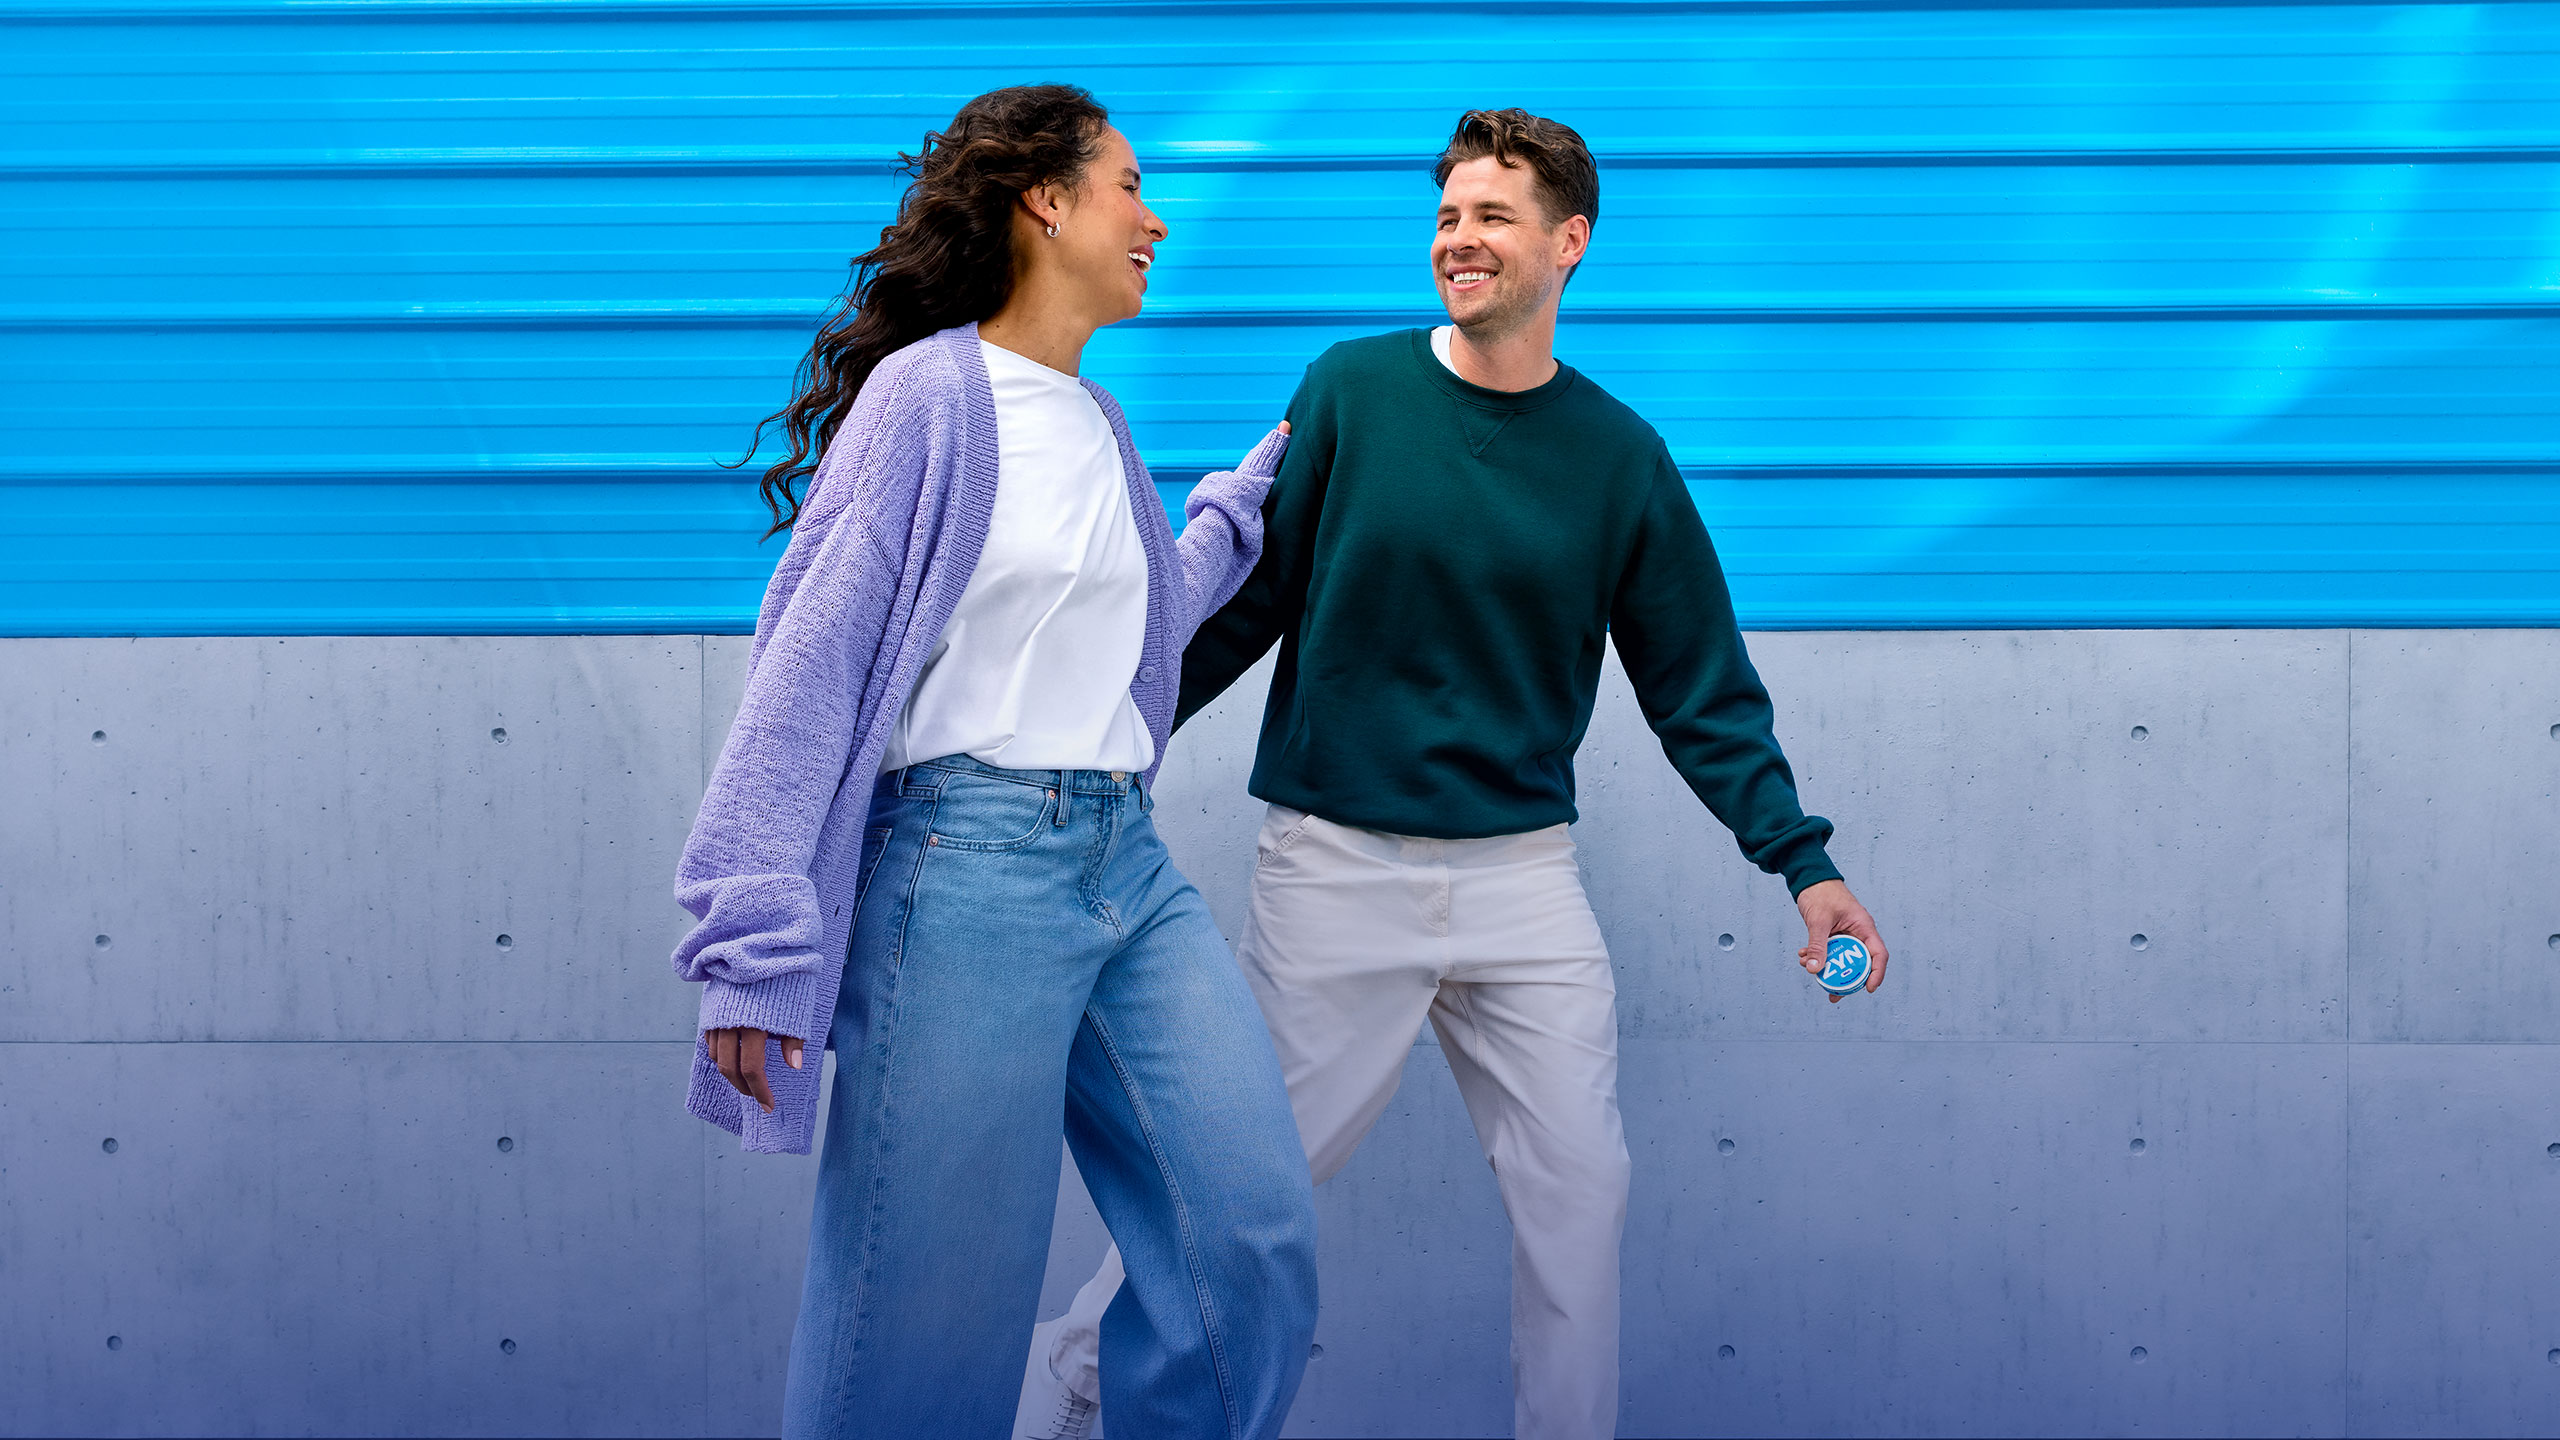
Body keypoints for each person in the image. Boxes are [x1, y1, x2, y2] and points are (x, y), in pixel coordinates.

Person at [1016, 108, 1889, 1440]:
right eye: (1445, 218)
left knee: (1581, 1200)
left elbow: (1700, 689)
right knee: (1241, 1195)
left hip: (1523, 890)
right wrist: (1097, 749)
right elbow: (1242, 607)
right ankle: (1060, 1389)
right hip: (1335, 875)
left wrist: (1803, 863)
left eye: (1490, 216)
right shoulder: (1351, 393)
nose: (1458, 241)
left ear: (1569, 243)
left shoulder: (1621, 461)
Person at [670, 83, 1316, 1440]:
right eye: (1130, 186)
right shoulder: (928, 401)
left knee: (1246, 1244)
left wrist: (1242, 505)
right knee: (928, 1319)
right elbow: (808, 664)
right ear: (1047, 199)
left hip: (1124, 871)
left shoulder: (1098, 424)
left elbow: (1141, 625)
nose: (1154, 218)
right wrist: (751, 939)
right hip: (961, 874)